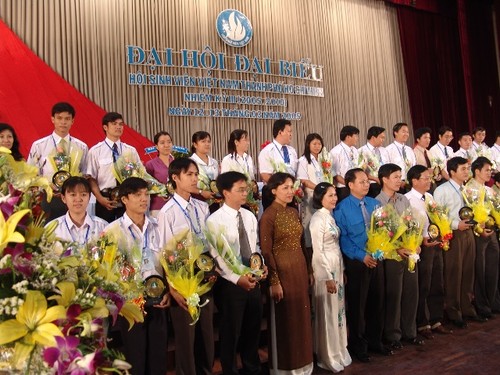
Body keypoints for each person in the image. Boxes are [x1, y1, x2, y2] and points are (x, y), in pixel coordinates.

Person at [104, 177, 169, 375]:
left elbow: (169, 262)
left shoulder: (158, 226)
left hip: (158, 300)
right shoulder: (112, 231)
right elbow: (107, 271)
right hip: (131, 304)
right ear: (124, 199)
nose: (144, 199)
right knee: (136, 358)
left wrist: (168, 290)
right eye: (137, 195)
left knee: (158, 358)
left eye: (146, 194)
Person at [157, 158, 214, 375]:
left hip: (204, 276)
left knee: (206, 337)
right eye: (189, 174)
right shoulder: (167, 212)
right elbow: (164, 252)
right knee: (186, 339)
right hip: (182, 280)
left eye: (196, 174)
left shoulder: (201, 207)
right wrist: (172, 288)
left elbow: (209, 241)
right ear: (175, 178)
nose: (194, 178)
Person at [207, 171, 267, 375]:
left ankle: (252, 368)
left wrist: (262, 265)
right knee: (231, 332)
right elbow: (217, 256)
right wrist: (236, 279)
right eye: (240, 190)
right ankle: (230, 369)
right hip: (230, 284)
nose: (245, 193)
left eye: (246, 189)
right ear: (225, 192)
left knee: (253, 329)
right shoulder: (215, 220)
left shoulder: (249, 215)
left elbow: (254, 245)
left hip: (253, 278)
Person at [333, 168, 390, 362]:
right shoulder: (341, 208)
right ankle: (358, 346)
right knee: (358, 305)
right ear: (350, 185)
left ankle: (376, 341)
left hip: (377, 259)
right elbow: (343, 240)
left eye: (367, 181)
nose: (367, 184)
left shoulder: (375, 204)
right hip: (358, 262)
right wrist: (361, 256)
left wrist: (382, 248)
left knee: (378, 301)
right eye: (362, 182)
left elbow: (385, 229)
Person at [259, 172, 313, 374]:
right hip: (282, 272)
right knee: (286, 320)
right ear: (273, 191)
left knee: (302, 317)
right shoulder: (268, 216)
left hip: (299, 269)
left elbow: (302, 243)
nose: (290, 191)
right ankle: (286, 367)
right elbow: (266, 251)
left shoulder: (293, 212)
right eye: (285, 188)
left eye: (292, 187)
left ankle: (304, 364)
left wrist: (308, 269)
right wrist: (274, 280)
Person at [376, 163, 422, 349]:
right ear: (384, 179)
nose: (399, 180)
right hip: (392, 256)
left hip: (410, 253)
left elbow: (412, 225)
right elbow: (379, 233)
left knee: (412, 293)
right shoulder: (377, 202)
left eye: (400, 176)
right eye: (395, 177)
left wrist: (416, 245)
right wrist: (396, 249)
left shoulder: (404, 199)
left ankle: (410, 332)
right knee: (394, 296)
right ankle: (393, 335)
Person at [309, 182, 352, 372]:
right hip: (325, 269)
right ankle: (328, 355)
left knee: (338, 312)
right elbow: (318, 251)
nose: (334, 198)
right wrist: (327, 277)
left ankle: (339, 350)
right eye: (330, 195)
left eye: (335, 195)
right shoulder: (317, 219)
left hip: (337, 265)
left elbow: (336, 246)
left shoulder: (331, 217)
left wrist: (341, 270)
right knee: (327, 312)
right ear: (320, 198)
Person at [405, 165, 451, 339]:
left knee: (437, 282)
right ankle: (422, 323)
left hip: (436, 243)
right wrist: (423, 237)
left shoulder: (430, 196)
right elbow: (410, 225)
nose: (428, 181)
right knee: (423, 285)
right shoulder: (407, 199)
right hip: (421, 246)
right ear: (414, 180)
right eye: (424, 178)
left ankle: (436, 319)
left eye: (429, 178)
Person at [433, 157, 478, 328]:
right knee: (454, 273)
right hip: (453, 233)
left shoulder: (466, 189)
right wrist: (455, 224)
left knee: (468, 270)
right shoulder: (442, 190)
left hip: (468, 231)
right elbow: (438, 215)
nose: (467, 171)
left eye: (468, 168)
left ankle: (467, 307)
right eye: (463, 169)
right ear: (452, 172)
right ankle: (453, 310)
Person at [27, 102, 89, 221]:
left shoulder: (82, 147)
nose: (63, 122)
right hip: (48, 197)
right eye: (59, 118)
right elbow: (32, 175)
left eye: (67, 119)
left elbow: (85, 174)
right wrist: (45, 185)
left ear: (72, 121)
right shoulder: (39, 146)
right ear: (52, 119)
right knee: (49, 234)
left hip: (74, 199)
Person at [87, 112, 141, 223]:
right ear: (105, 127)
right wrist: (100, 198)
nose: (118, 127)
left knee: (128, 231)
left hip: (127, 198)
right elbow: (91, 178)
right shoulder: (95, 151)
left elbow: (139, 175)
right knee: (106, 234)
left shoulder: (130, 150)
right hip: (105, 199)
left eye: (121, 124)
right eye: (114, 124)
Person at [467, 157, 500, 319]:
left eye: (490, 170)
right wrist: (479, 228)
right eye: (487, 170)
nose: (489, 173)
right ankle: (482, 305)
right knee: (480, 269)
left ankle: (493, 300)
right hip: (477, 233)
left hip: (491, 230)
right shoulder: (469, 189)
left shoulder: (488, 189)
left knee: (493, 267)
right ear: (477, 171)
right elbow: (468, 213)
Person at [46, 176, 108, 245]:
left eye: (83, 195)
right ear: (63, 198)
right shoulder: (52, 228)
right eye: (73, 195)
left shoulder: (103, 226)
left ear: (89, 197)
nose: (78, 199)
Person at [297, 133, 329, 253]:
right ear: (308, 144)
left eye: (319, 143)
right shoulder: (303, 160)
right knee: (310, 222)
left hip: (324, 195)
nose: (317, 146)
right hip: (311, 196)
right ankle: (310, 250)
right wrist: (319, 188)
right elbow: (303, 180)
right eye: (314, 144)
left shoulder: (323, 160)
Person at [145, 131, 174, 216]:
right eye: (162, 143)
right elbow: (147, 186)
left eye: (169, 142)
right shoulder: (150, 164)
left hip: (175, 205)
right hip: (158, 207)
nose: (166, 145)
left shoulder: (177, 163)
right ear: (156, 146)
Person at [190, 131, 220, 213]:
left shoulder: (214, 162)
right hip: (196, 201)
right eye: (203, 141)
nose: (207, 144)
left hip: (215, 201)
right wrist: (201, 192)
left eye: (208, 141)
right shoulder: (190, 162)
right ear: (195, 144)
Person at [330, 125, 360, 202]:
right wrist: (349, 184)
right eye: (356, 136)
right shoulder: (336, 151)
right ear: (348, 137)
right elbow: (335, 174)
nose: (357, 139)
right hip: (343, 188)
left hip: (355, 187)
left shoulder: (355, 150)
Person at [358, 126, 388, 197]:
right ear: (373, 137)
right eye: (381, 137)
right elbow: (361, 171)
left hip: (385, 183)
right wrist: (375, 179)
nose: (383, 140)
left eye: (384, 138)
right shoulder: (362, 151)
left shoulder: (384, 150)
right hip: (372, 185)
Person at [385, 122, 416, 192]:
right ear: (395, 132)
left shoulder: (409, 150)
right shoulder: (388, 150)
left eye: (407, 132)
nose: (406, 134)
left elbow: (414, 165)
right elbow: (388, 169)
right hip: (397, 184)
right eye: (403, 131)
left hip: (411, 183)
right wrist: (398, 180)